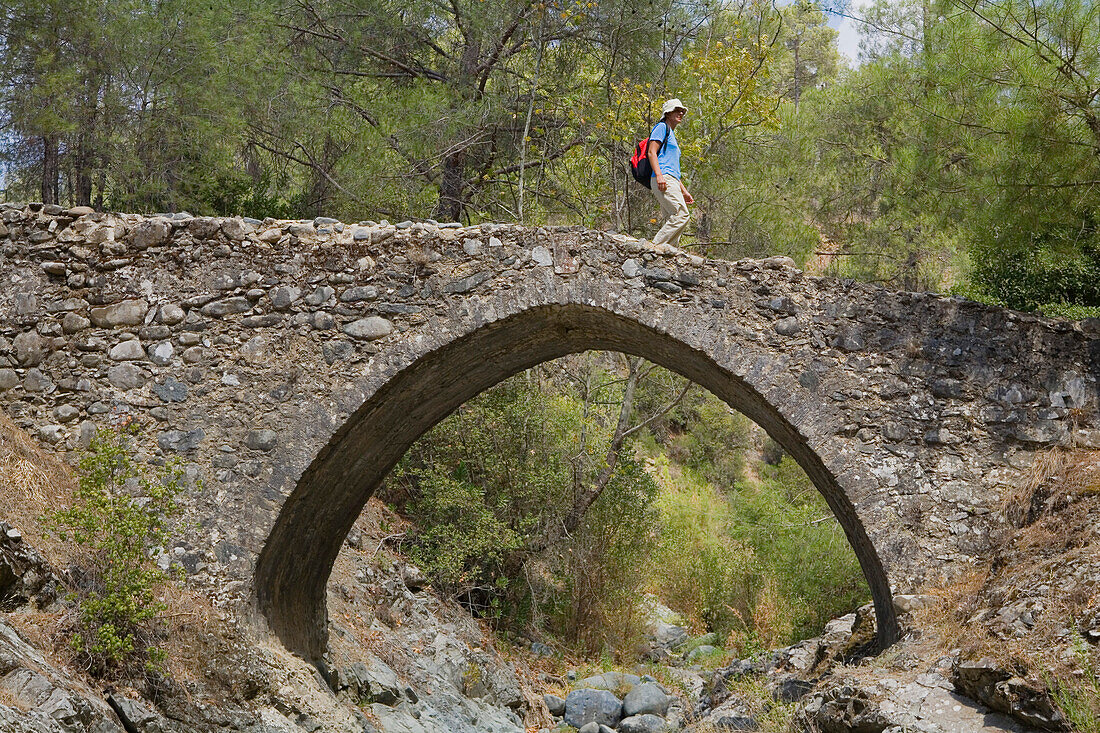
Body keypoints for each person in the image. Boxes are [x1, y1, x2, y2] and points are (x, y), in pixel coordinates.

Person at [647, 98, 694, 246]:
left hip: (671, 179)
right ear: (668, 113)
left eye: (682, 111)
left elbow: (673, 169)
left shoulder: (671, 134)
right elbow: (651, 152)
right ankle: (653, 248)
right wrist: (659, 176)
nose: (681, 113)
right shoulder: (662, 127)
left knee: (672, 219)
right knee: (681, 215)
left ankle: (669, 255)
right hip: (663, 178)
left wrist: (684, 191)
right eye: (677, 110)